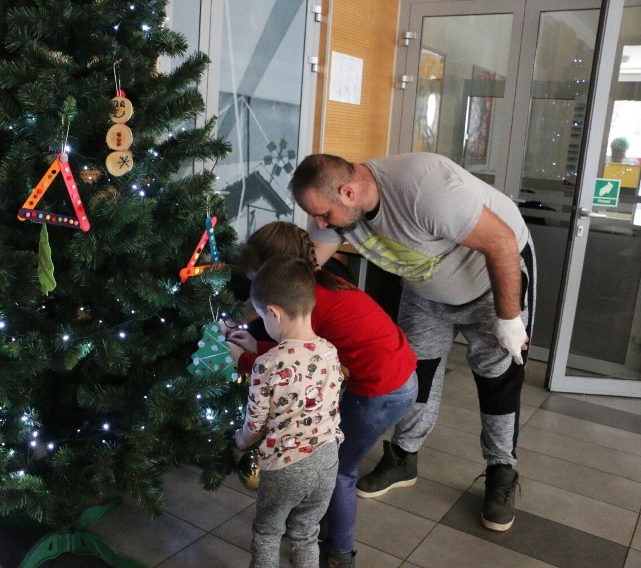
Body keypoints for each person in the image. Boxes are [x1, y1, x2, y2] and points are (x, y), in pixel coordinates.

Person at [289, 152, 536, 533]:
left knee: (497, 379)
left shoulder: (425, 189)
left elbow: (502, 243)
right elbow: (308, 263)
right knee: (414, 374)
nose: (319, 224)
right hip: (427, 291)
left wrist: (508, 321)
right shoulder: (337, 205)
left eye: (324, 215)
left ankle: (501, 470)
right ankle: (404, 456)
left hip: (492, 282)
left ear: (348, 192)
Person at [228, 222, 417, 568]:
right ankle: (313, 525)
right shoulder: (315, 292)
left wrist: (245, 358)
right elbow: (303, 352)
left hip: (382, 387)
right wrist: (258, 345)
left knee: (343, 471)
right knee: (327, 475)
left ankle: (341, 553)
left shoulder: (319, 304)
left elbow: (280, 372)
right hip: (399, 372)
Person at [233, 255, 344, 568]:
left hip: (287, 464)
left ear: (274, 313)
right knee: (306, 531)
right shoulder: (330, 351)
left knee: (268, 530)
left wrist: (240, 442)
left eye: (262, 317)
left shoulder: (267, 365)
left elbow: (255, 424)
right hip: (327, 459)